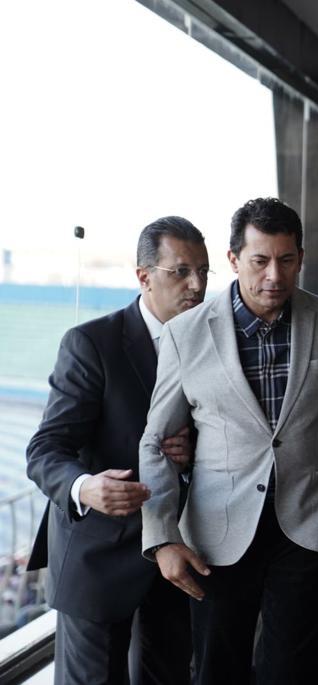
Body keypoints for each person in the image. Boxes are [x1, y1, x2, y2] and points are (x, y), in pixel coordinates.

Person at [139, 197, 318, 684]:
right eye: (260, 261)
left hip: (311, 518)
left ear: (301, 259)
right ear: (234, 259)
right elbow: (154, 442)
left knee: (293, 672)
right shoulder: (185, 334)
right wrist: (162, 538)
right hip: (216, 530)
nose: (274, 276)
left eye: (287, 260)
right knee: (218, 669)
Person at [26, 216, 208, 684]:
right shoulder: (92, 343)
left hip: (176, 554)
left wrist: (195, 452)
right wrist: (85, 487)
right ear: (144, 277)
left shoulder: (211, 344)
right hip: (99, 557)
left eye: (203, 272)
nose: (196, 285)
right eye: (181, 272)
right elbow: (45, 448)